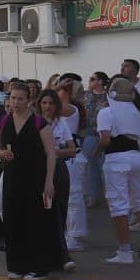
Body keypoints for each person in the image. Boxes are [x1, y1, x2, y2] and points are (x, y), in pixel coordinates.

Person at [0, 83, 58, 280]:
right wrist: (2, 153)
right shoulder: (4, 121)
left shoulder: (39, 122)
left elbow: (51, 153)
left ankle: (38, 268)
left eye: (20, 99)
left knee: (35, 222)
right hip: (12, 178)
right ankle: (16, 266)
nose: (16, 102)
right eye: (13, 98)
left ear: (28, 100)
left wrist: (49, 181)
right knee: (13, 221)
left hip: (35, 178)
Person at [96, 78, 140, 263]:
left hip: (116, 158)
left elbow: (105, 139)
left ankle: (125, 251)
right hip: (136, 157)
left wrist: (96, 152)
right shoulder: (135, 112)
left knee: (118, 204)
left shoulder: (107, 112)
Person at [38, 89, 76, 271]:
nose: (47, 107)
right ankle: (61, 255)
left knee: (60, 210)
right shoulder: (35, 123)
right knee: (47, 210)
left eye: (51, 103)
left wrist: (53, 152)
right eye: (44, 103)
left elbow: (71, 149)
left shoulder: (62, 123)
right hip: (42, 170)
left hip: (60, 169)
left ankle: (59, 253)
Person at [56, 83, 88, 253]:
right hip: (62, 156)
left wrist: (53, 87)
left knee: (73, 197)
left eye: (60, 91)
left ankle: (74, 236)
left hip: (71, 157)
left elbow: (49, 103)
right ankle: (67, 233)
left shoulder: (71, 109)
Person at [84, 72, 111, 207]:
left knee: (105, 167)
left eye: (92, 79)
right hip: (90, 133)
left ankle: (109, 196)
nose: (89, 81)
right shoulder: (86, 94)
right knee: (91, 167)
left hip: (105, 135)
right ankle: (93, 197)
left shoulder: (110, 95)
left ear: (101, 81)